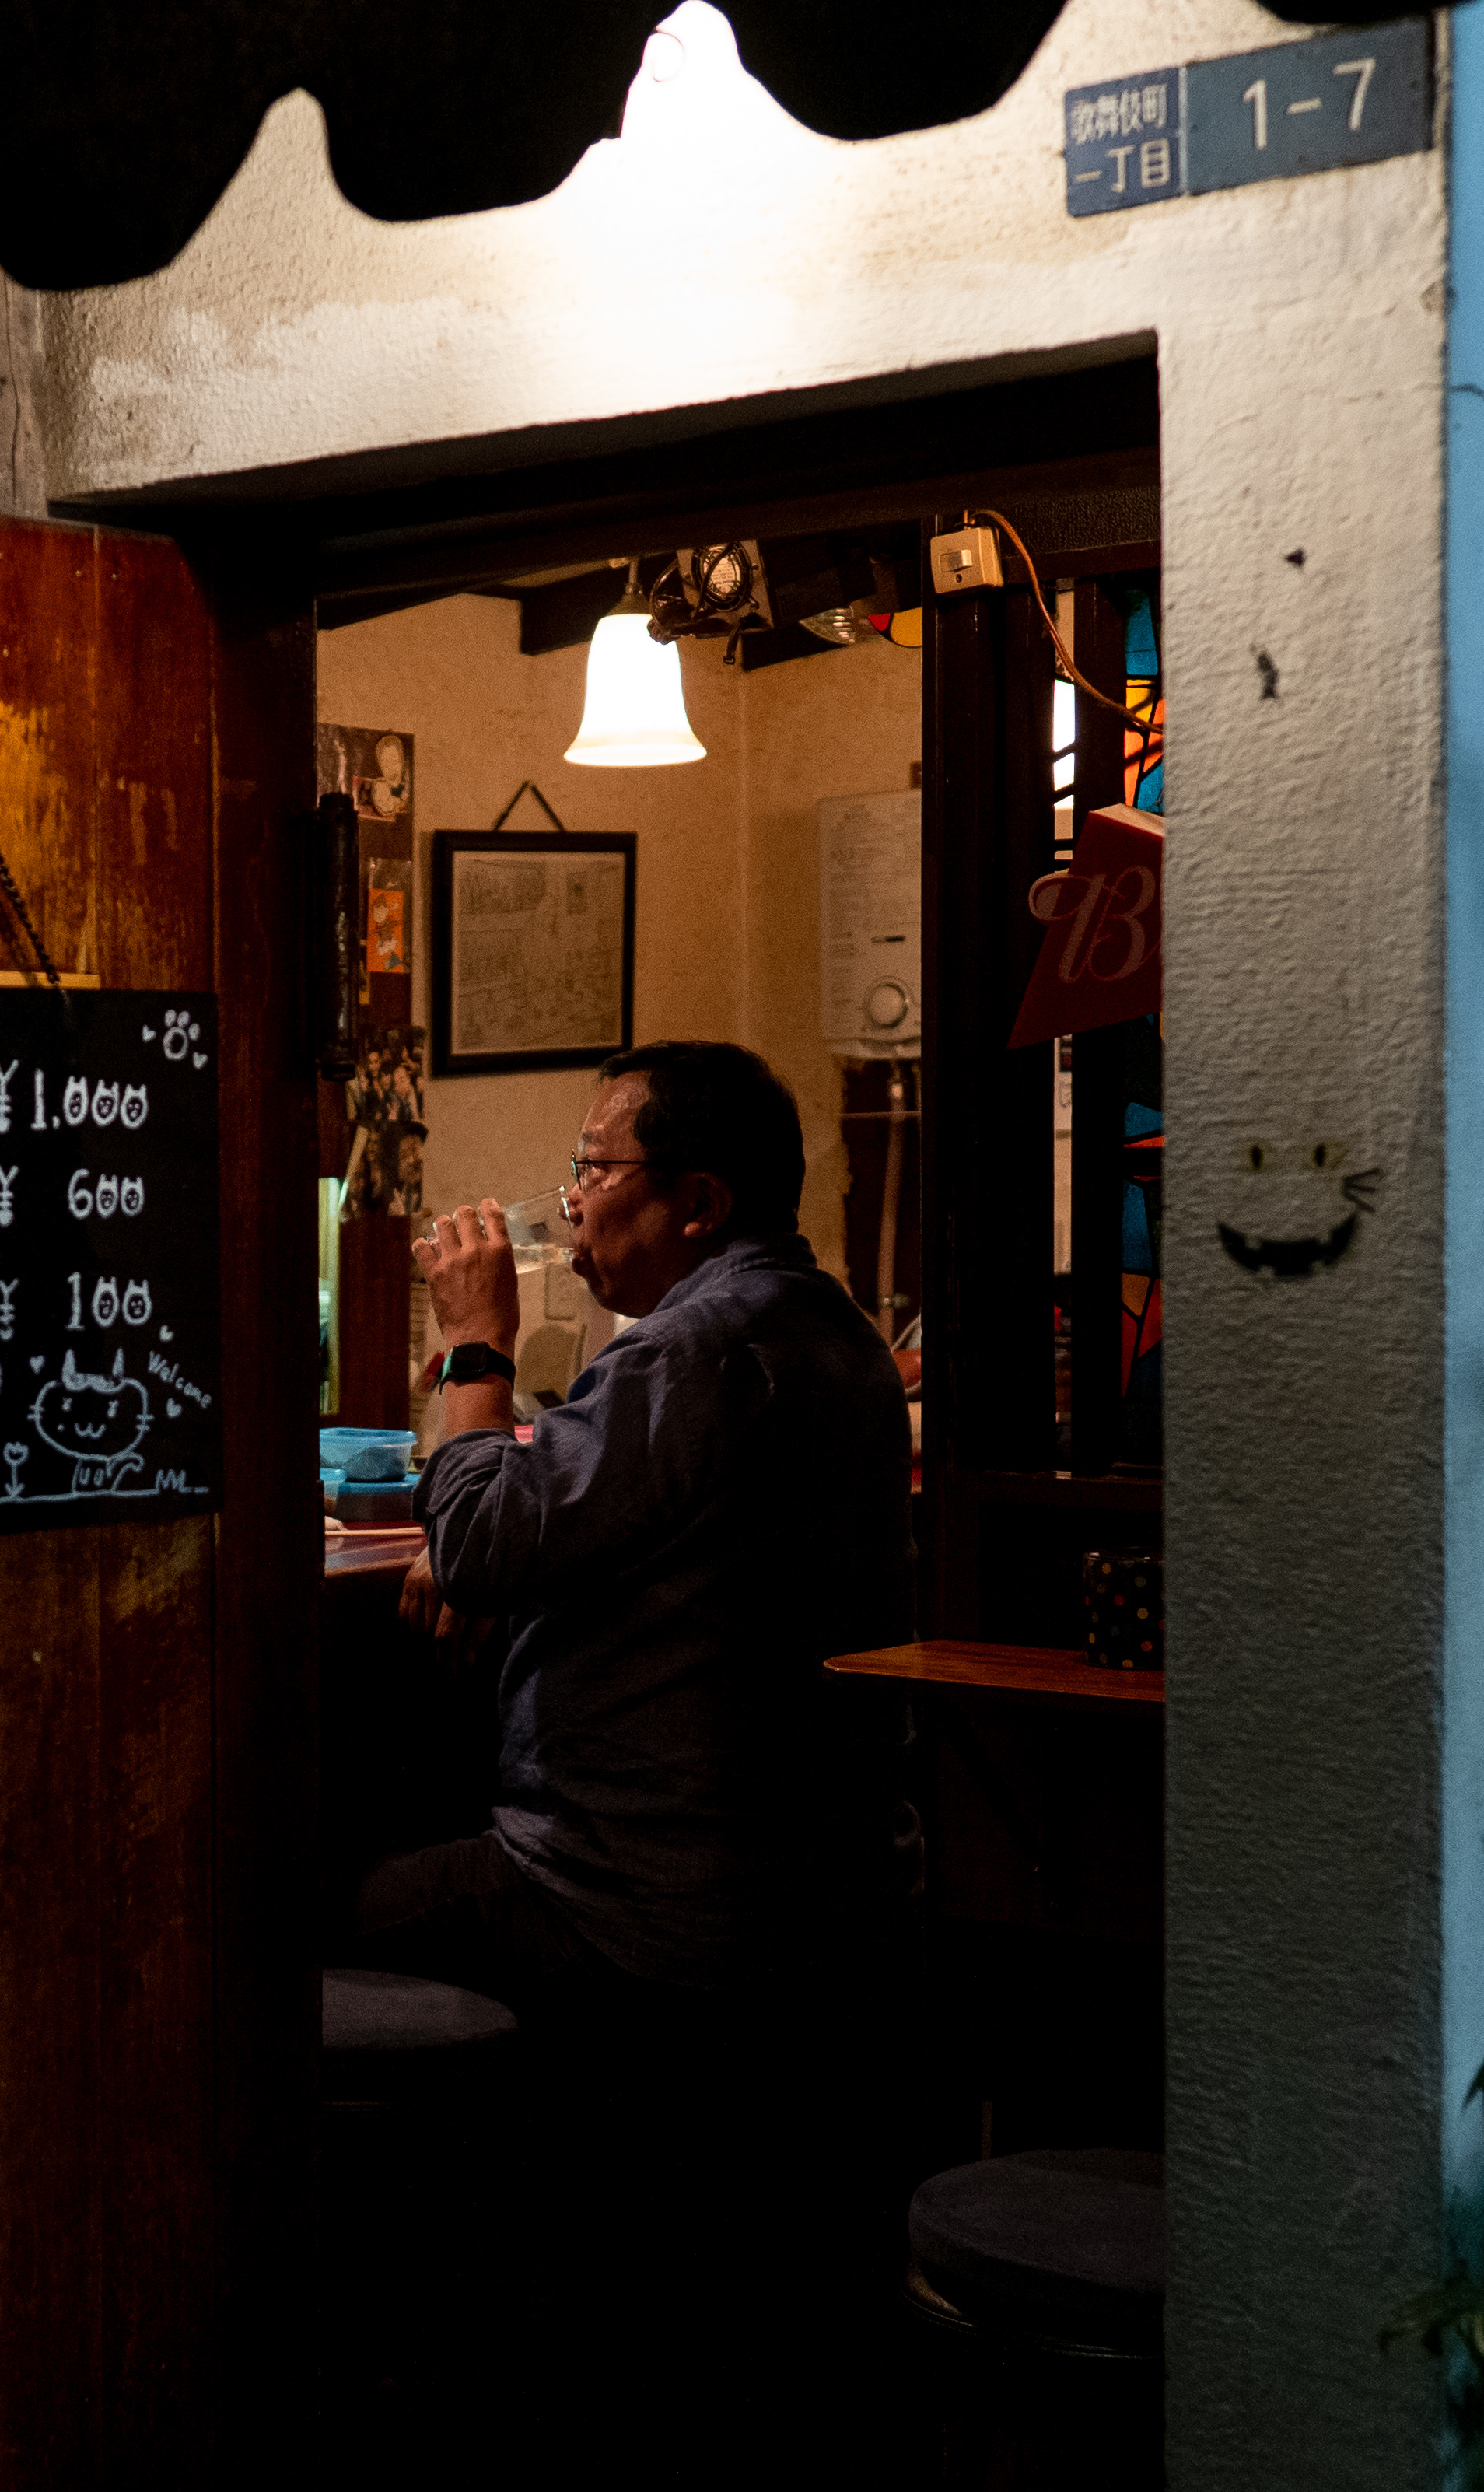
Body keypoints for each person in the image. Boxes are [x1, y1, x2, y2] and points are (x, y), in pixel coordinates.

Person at [355, 1038, 917, 2462]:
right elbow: (579, 1523)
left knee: (305, 1914)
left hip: (632, 1899)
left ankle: (396, 2361)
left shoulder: (694, 1350)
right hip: (811, 1900)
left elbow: (484, 1543)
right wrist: (500, 1522)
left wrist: (475, 1345)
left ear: (698, 1203)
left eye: (594, 1169)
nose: (570, 1200)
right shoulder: (834, 1338)